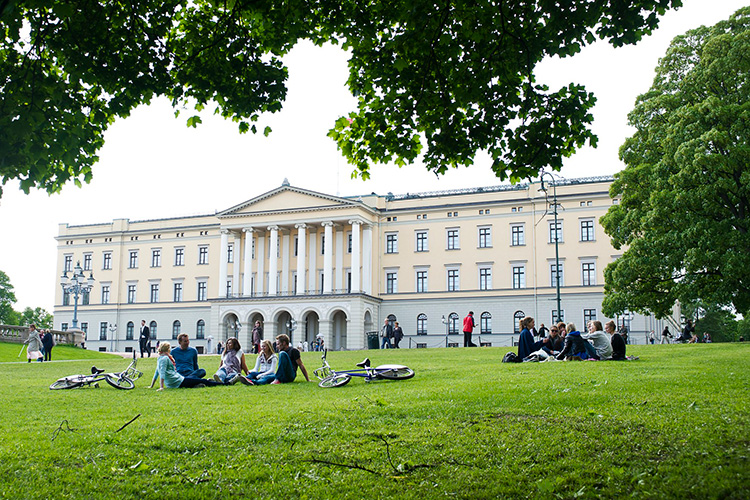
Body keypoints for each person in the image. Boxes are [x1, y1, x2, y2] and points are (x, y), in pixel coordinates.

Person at [150, 343, 221, 390]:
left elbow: (157, 373)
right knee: (203, 381)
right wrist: (161, 387)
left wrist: (152, 385)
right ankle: (223, 383)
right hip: (178, 381)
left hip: (177, 381)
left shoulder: (160, 358)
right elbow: (161, 373)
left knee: (196, 379)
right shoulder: (165, 358)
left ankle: (197, 384)